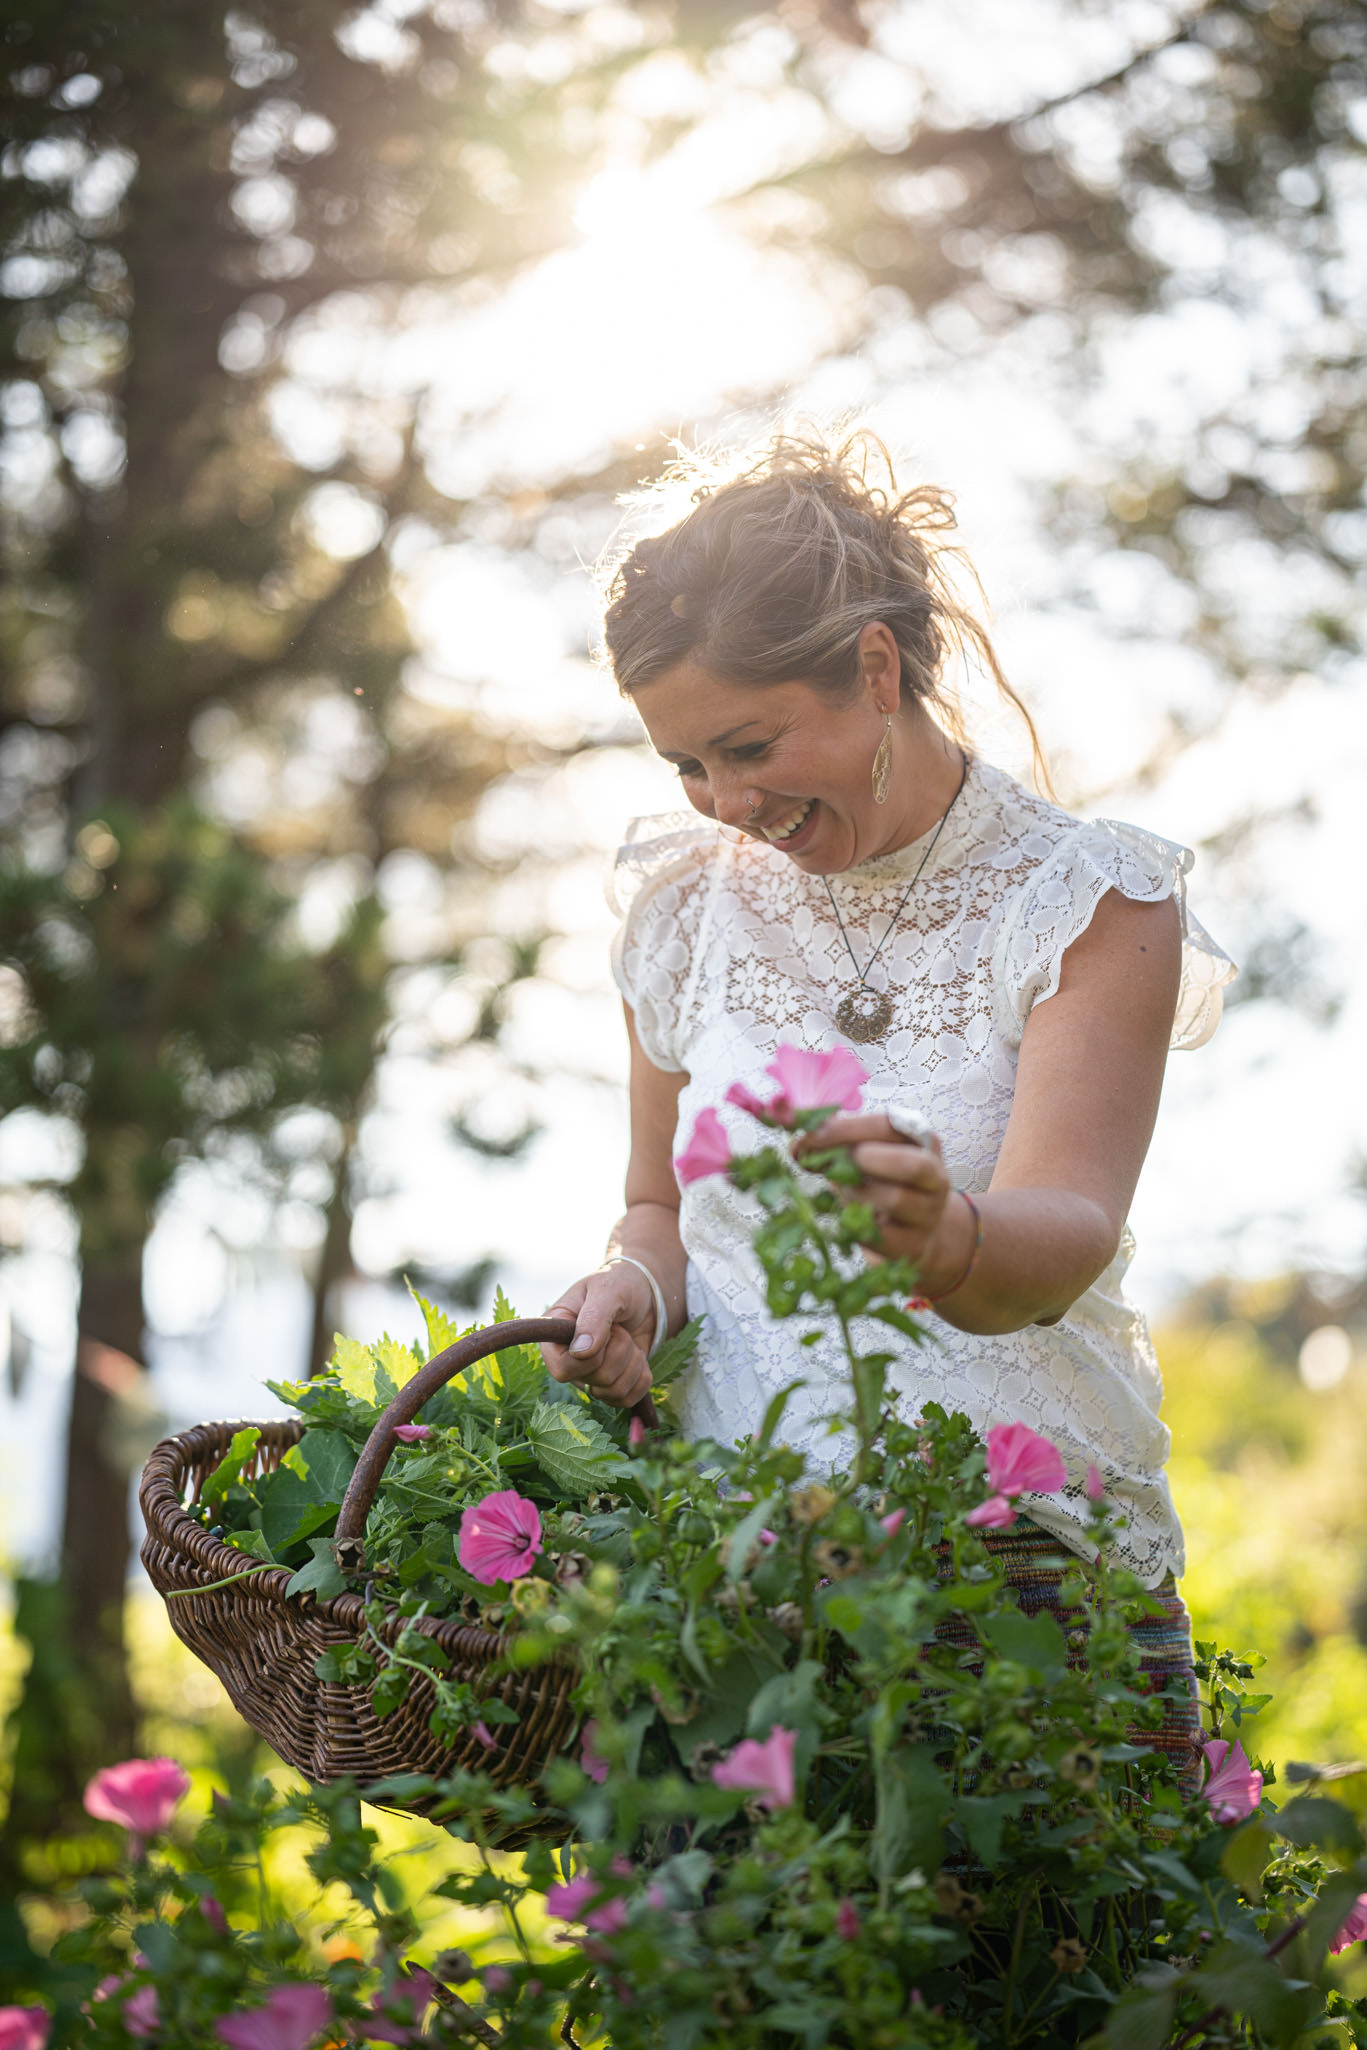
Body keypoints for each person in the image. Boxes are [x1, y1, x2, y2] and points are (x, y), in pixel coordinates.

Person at [543, 430, 1235, 1780]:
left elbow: (1071, 1220)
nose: (727, 802)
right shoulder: (684, 904)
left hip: (1025, 1579)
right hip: (735, 1590)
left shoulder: (1089, 900)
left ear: (873, 665)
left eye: (747, 744)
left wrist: (948, 1239)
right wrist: (632, 1282)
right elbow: (656, 1205)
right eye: (686, 763)